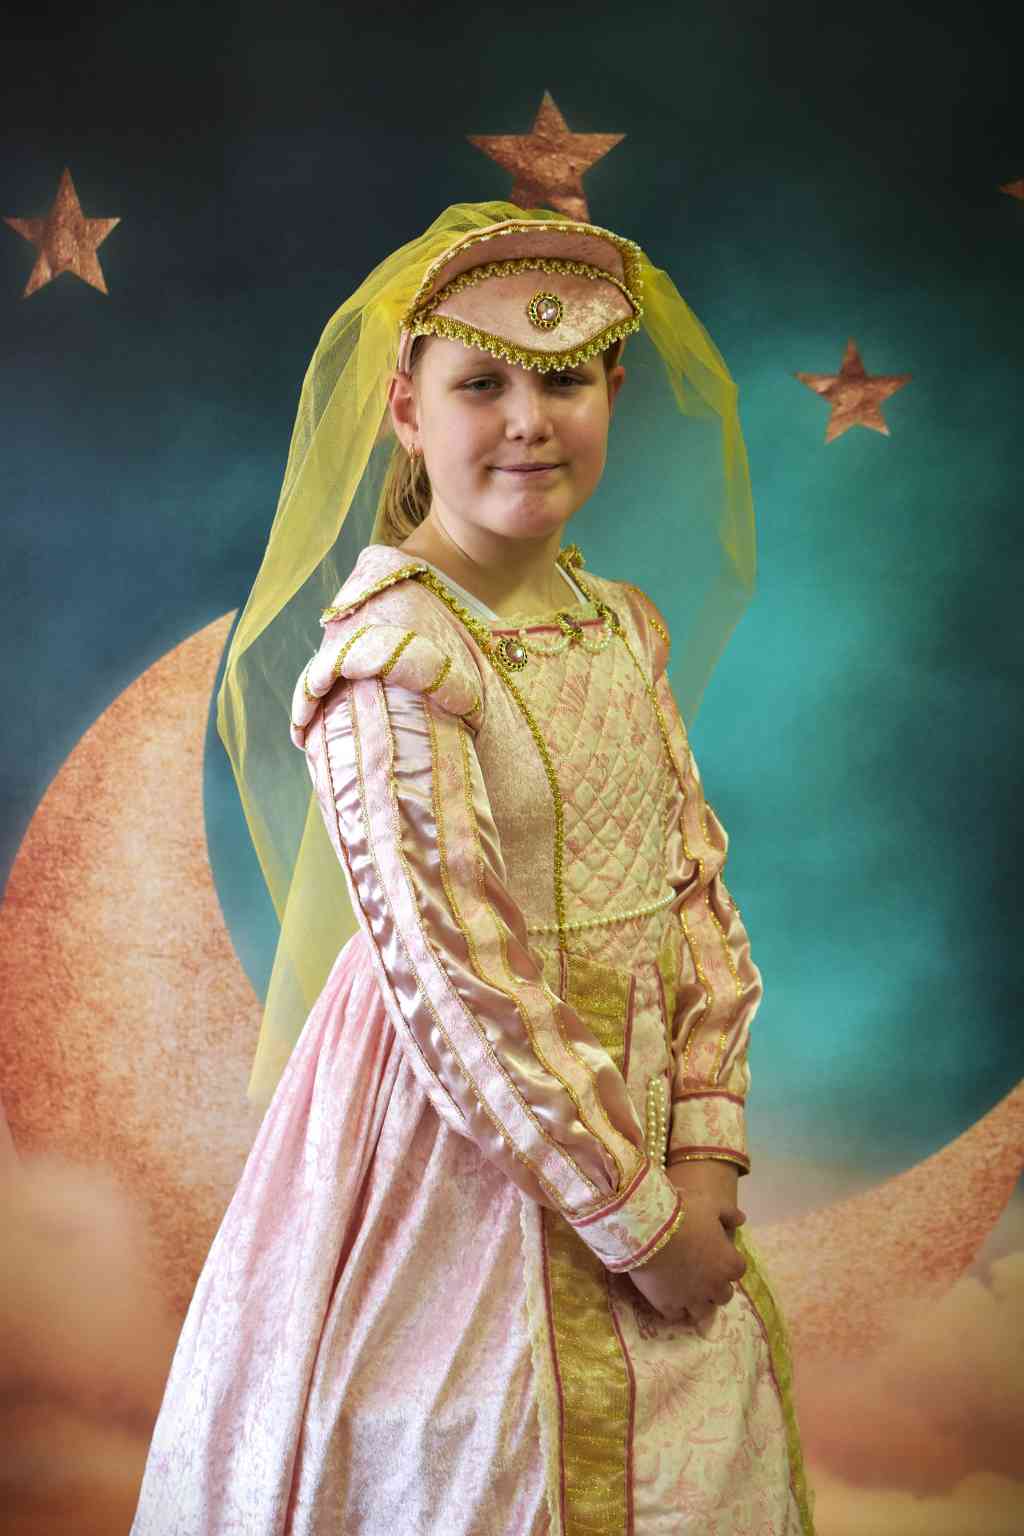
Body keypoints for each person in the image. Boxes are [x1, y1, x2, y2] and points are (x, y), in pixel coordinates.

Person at [130, 202, 815, 1534]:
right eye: (481, 385)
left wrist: (707, 1151)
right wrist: (635, 1222)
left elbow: (695, 894)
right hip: (459, 1143)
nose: (528, 422)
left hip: (650, 1135)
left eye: (565, 383)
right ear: (405, 409)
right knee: (471, 1463)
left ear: (614, 394)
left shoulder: (618, 627)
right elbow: (455, 981)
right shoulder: (396, 659)